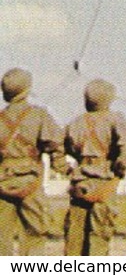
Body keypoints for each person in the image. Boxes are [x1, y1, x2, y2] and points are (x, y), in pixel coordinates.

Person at [63, 79, 126, 256]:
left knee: (74, 238)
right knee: (99, 237)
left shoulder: (75, 122)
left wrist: (69, 168)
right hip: (104, 181)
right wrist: (120, 169)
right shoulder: (116, 119)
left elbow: (61, 146)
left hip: (80, 181)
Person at [0, 68, 64, 254]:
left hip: (3, 180)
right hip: (31, 181)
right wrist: (59, 164)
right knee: (35, 232)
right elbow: (55, 143)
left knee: (2, 235)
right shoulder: (39, 115)